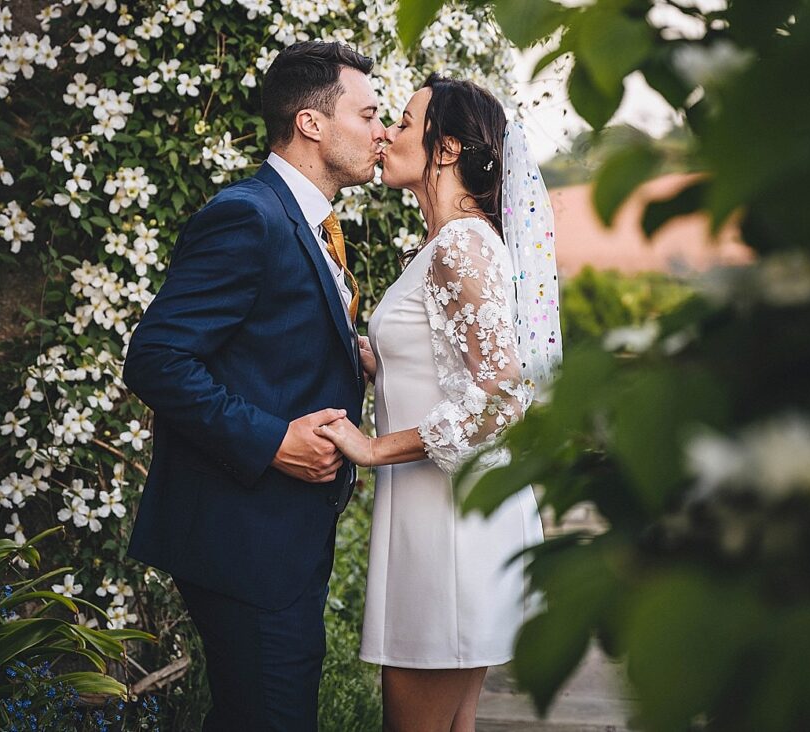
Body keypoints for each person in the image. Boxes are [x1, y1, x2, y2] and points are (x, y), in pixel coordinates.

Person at [122, 41, 384, 730]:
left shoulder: (306, 221)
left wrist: (348, 355)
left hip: (278, 533)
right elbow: (156, 358)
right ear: (312, 124)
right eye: (369, 113)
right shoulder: (249, 215)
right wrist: (273, 441)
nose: (381, 130)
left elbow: (266, 341)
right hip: (244, 536)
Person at [316, 74, 563, 731]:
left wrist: (371, 448)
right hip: (446, 517)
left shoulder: (460, 245)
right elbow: (449, 363)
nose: (387, 135)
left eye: (401, 121)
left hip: (447, 525)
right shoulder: (449, 244)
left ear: (447, 147)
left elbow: (501, 393)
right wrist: (376, 359)